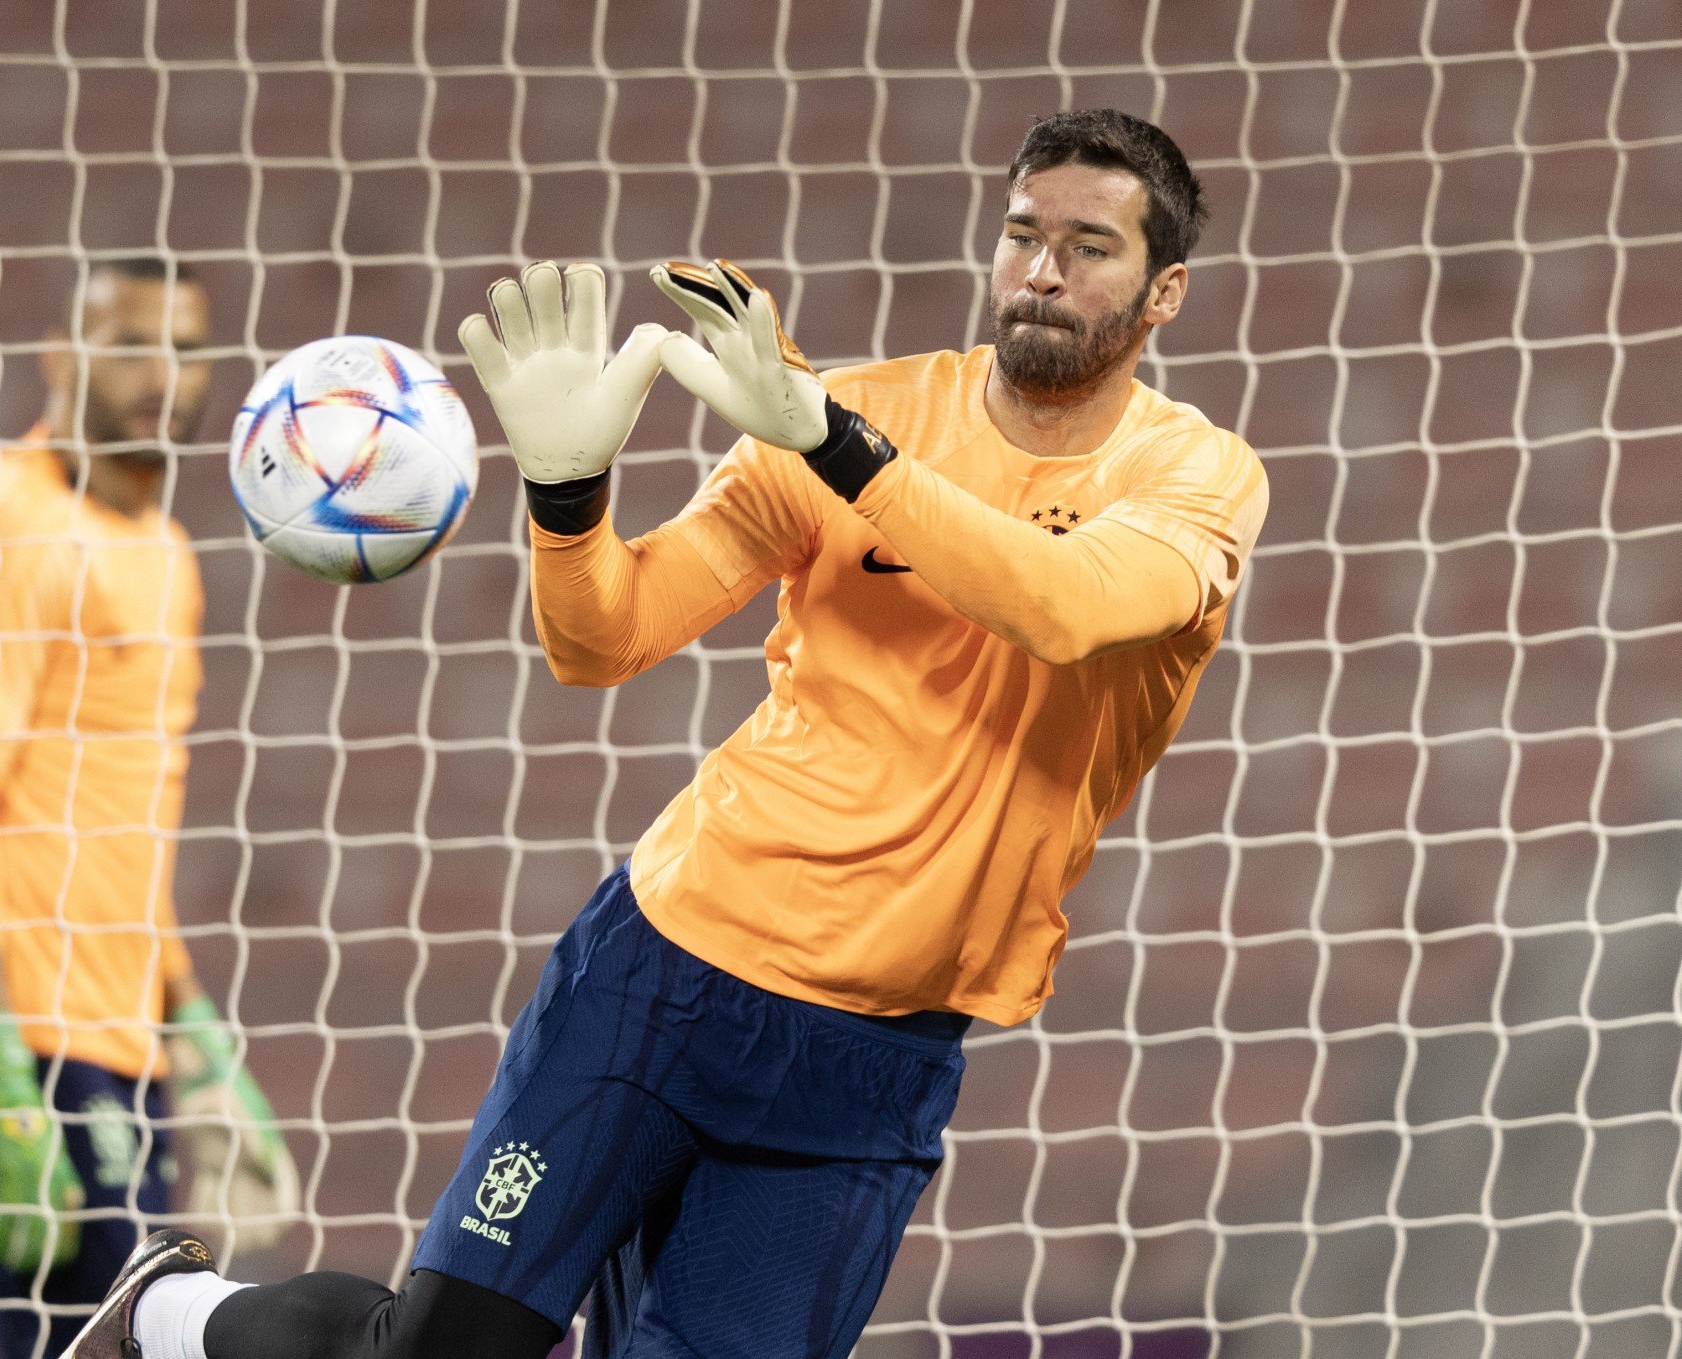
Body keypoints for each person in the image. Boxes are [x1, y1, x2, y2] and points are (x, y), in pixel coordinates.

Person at [66, 107, 1268, 1359]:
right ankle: (170, 1309)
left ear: (1164, 289)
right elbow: (605, 639)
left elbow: (1062, 606)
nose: (1041, 270)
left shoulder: (1193, 478)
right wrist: (567, 497)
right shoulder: (846, 410)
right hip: (668, 973)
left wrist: (833, 445)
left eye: (1090, 247)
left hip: (874, 1059)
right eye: (1024, 232)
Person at [0, 256, 298, 1359]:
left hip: (115, 1033)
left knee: (77, 1338)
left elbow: (119, 822)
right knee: (122, 1333)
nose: (159, 373)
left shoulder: (164, 555)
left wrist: (193, 1032)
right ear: (61, 357)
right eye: (127, 344)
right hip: (13, 1027)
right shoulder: (2, 520)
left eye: (183, 346)